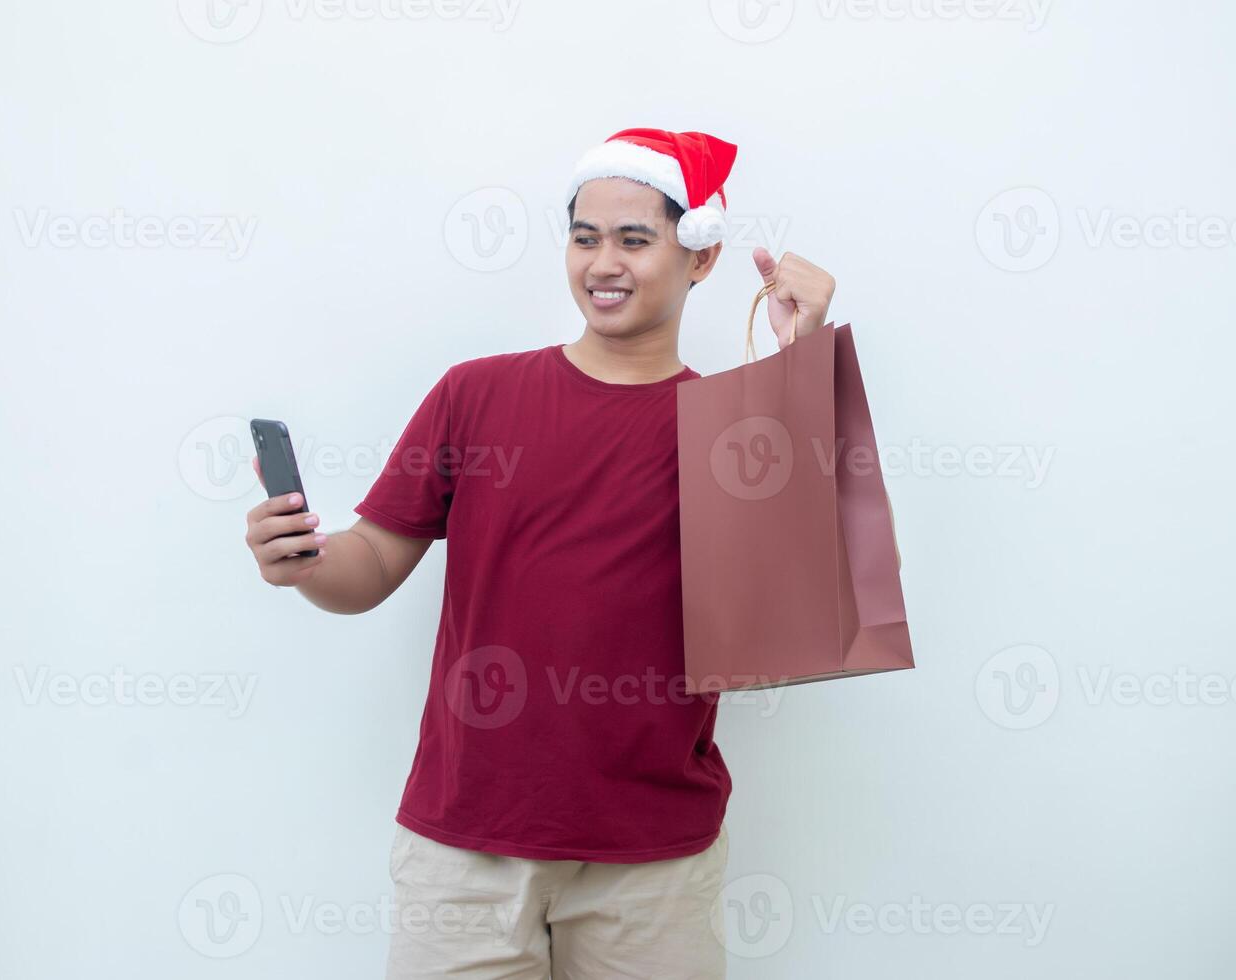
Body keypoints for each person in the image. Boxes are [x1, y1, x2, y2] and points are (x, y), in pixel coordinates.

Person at [243, 127, 838, 979]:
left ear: (699, 259)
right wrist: (305, 561)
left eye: (636, 239)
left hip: (652, 865)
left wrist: (799, 363)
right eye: (585, 237)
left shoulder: (731, 436)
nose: (604, 262)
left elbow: (791, 617)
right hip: (465, 854)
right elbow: (372, 560)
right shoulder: (473, 394)